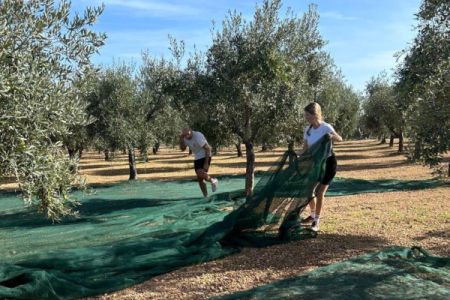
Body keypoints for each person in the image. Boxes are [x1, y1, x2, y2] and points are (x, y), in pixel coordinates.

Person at [296, 102, 342, 231]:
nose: (307, 118)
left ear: (316, 114)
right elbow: (305, 149)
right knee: (308, 191)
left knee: (320, 192)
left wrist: (331, 136)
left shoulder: (325, 127)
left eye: (309, 115)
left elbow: (340, 138)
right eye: (306, 115)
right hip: (316, 164)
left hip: (328, 163)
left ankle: (316, 221)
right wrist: (294, 153)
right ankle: (312, 214)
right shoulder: (308, 130)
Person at [179, 126, 218, 197]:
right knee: (200, 178)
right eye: (185, 135)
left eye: (187, 133)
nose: (187, 136)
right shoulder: (184, 138)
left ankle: (213, 180)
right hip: (197, 157)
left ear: (190, 130)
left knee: (200, 173)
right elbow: (183, 149)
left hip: (206, 155)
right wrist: (181, 140)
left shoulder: (197, 136)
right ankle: (205, 196)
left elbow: (207, 149)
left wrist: (206, 163)